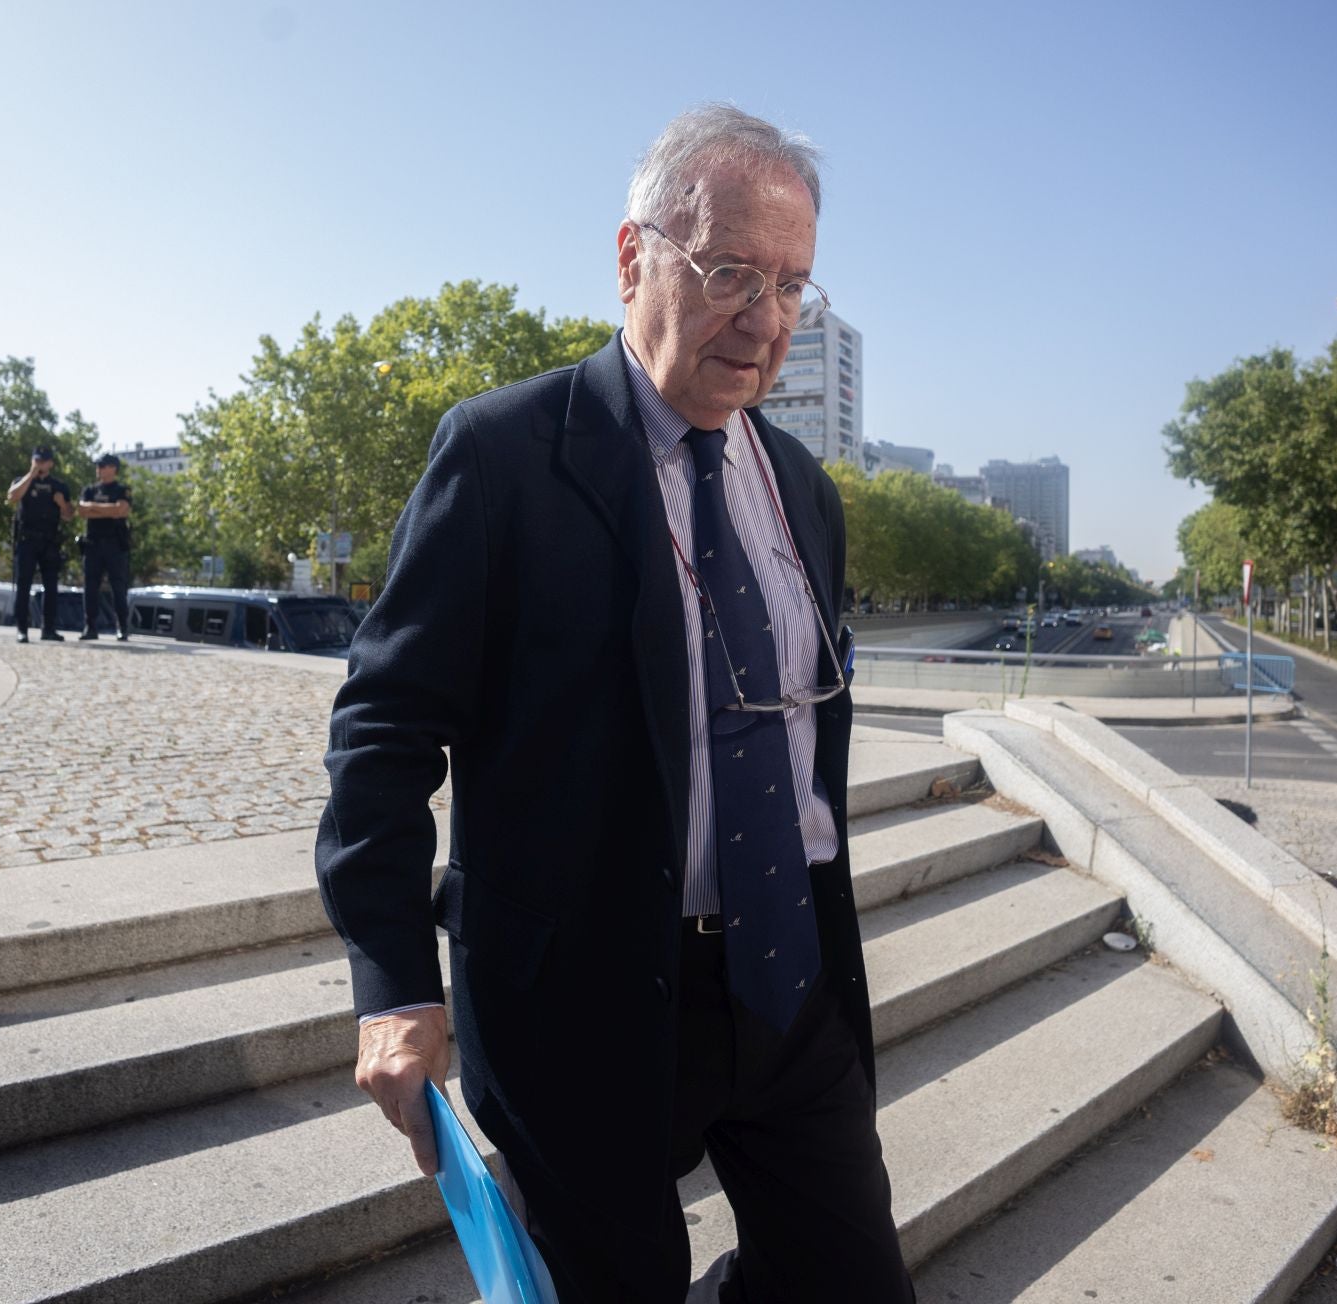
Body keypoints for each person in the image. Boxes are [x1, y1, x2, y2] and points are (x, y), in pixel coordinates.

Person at [314, 106, 909, 1303]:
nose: (767, 319)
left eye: (793, 284)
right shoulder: (501, 455)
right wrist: (393, 982)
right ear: (634, 257)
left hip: (789, 984)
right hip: (577, 1012)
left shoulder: (804, 488)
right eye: (732, 271)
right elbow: (382, 731)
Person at [6, 446, 73, 643]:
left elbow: (69, 515)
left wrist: (62, 504)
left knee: (51, 587)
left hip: (50, 541)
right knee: (23, 585)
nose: (40, 464)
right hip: (27, 540)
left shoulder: (59, 486)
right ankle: (22, 629)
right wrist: (31, 475)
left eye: (44, 461)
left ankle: (49, 628)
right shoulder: (22, 481)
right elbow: (12, 497)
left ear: (51, 463)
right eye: (37, 460)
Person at [78, 453, 132, 641]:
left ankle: (122, 627)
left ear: (113, 468)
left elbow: (121, 510)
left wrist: (95, 508)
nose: (98, 469)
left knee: (118, 586)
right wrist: (108, 510)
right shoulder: (90, 490)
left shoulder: (121, 489)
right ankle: (90, 626)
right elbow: (83, 511)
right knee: (91, 587)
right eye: (98, 465)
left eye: (103, 466)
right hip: (93, 544)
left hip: (115, 545)